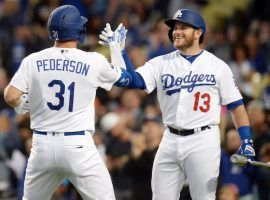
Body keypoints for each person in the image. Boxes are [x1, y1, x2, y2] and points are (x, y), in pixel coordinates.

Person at [99, 9, 255, 200]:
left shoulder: (217, 66)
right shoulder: (161, 63)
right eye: (175, 28)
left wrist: (246, 139)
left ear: (198, 33)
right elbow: (134, 81)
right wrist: (119, 51)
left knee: (203, 197)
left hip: (203, 139)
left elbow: (236, 106)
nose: (176, 31)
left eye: (183, 27)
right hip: (170, 138)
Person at [4, 5, 132, 200]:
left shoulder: (33, 60)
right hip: (78, 146)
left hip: (42, 147)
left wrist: (25, 103)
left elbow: (11, 95)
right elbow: (125, 78)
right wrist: (116, 49)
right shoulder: (93, 60)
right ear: (78, 31)